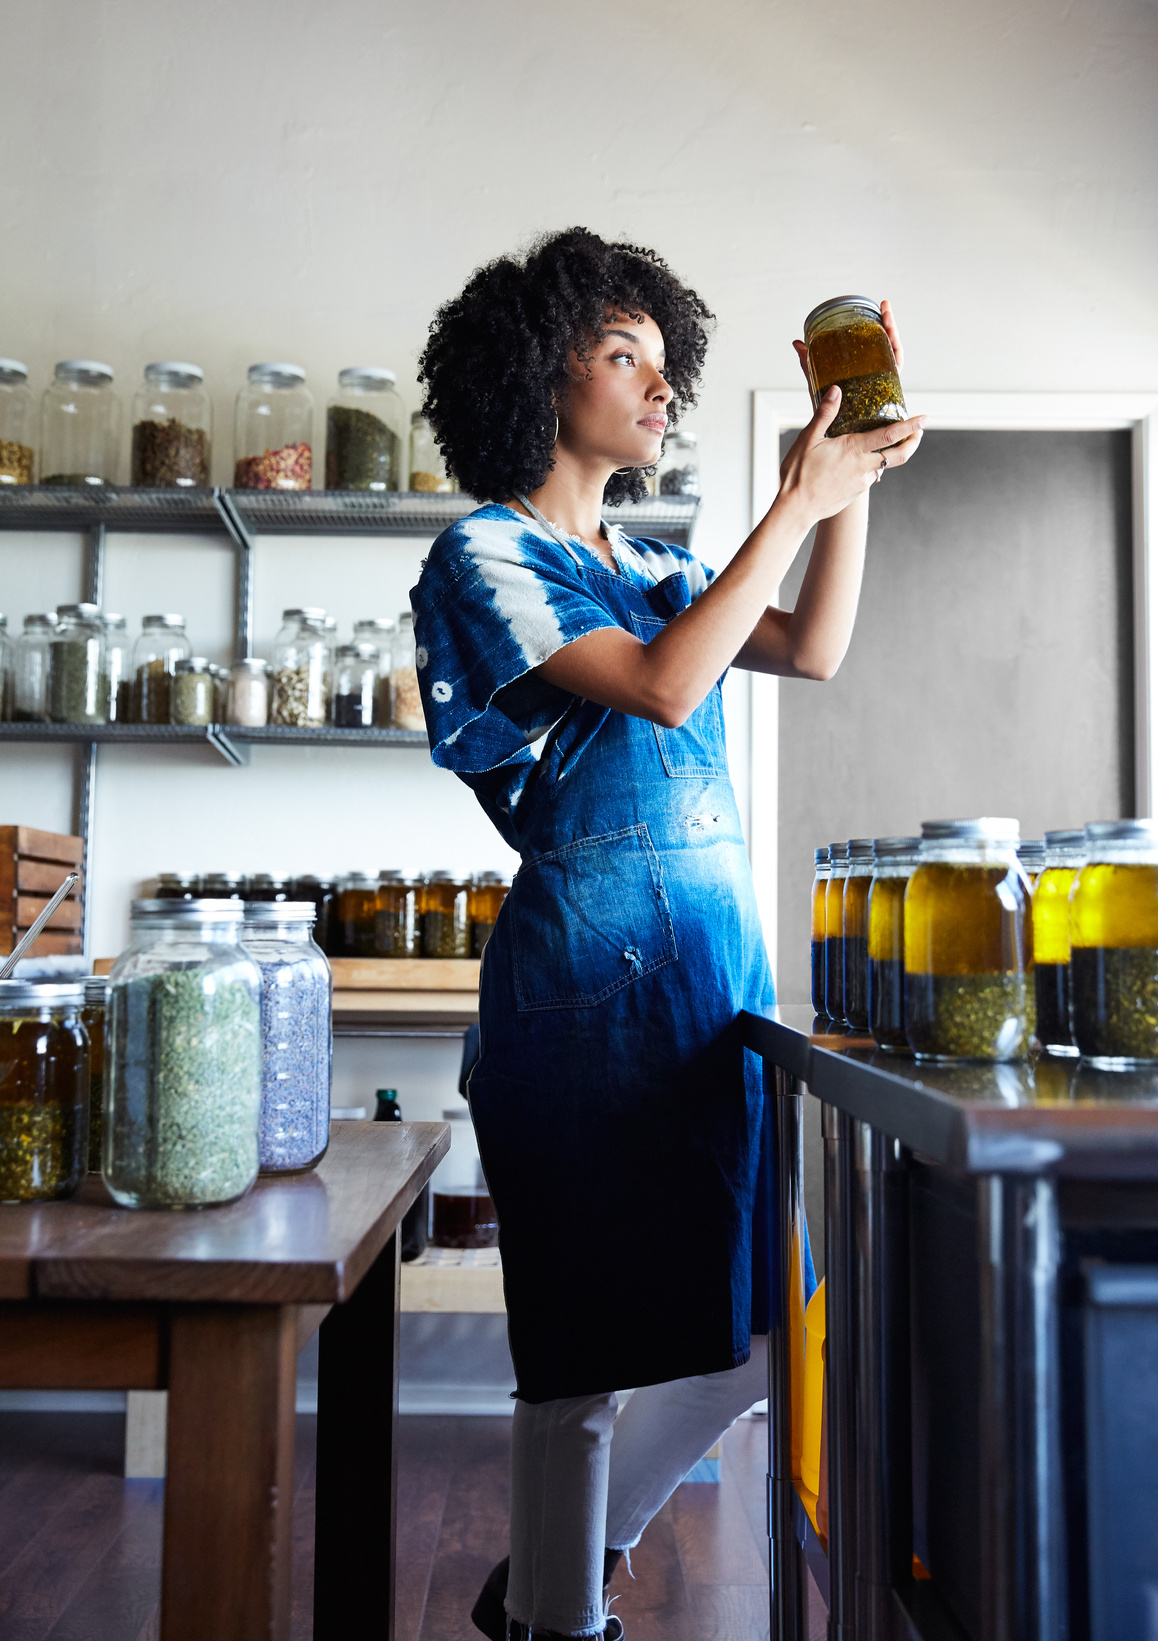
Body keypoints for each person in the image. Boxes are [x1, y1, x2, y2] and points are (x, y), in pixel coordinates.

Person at [411, 228, 924, 1641]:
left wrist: (841, 485)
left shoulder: (642, 559)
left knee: (763, 1331)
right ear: (537, 372)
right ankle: (560, 1618)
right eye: (620, 352)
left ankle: (543, 1576)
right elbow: (659, 685)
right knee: (581, 1355)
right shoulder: (484, 554)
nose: (655, 386)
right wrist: (788, 504)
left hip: (709, 989)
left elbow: (812, 646)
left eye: (662, 361)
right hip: (582, 998)